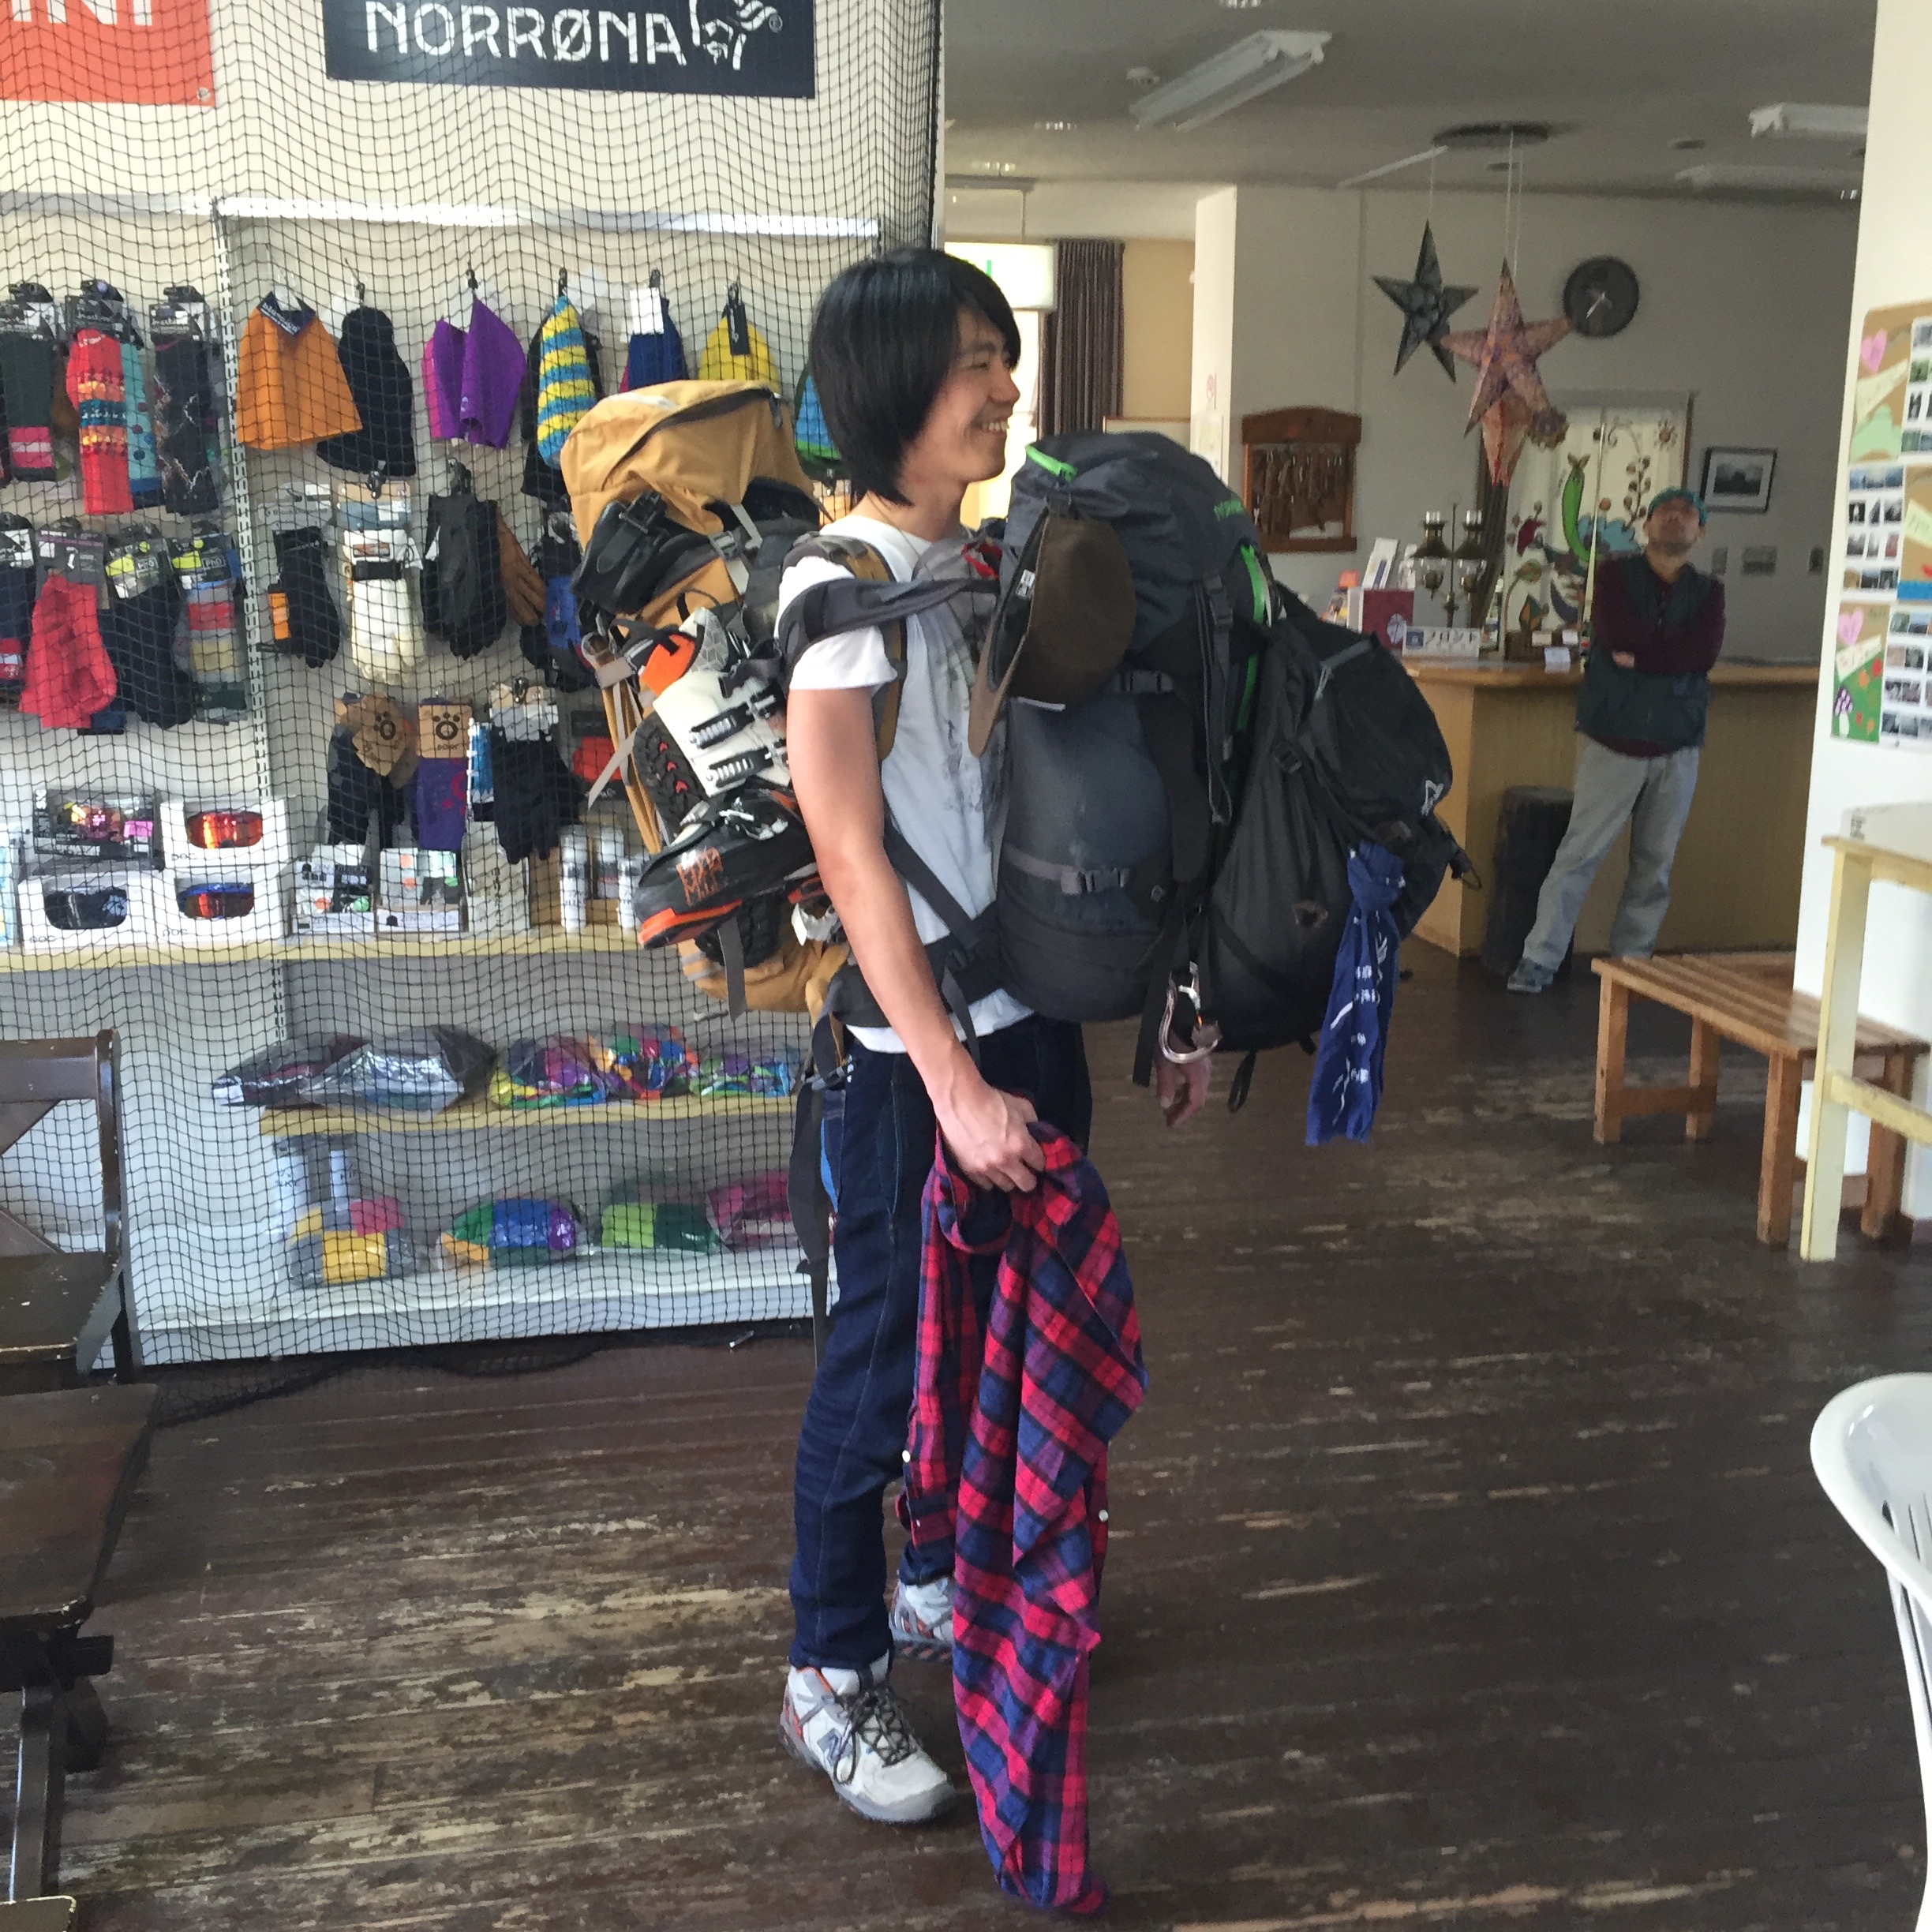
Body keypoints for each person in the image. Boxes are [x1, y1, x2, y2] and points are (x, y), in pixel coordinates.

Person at [775, 249, 1211, 1824]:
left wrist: (1164, 1001)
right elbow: (849, 855)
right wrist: (953, 1083)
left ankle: (940, 1576)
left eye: (1003, 354)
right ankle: (828, 1670)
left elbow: (1084, 808)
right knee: (882, 1369)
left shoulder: (1003, 565)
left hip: (1028, 1031)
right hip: (912, 1070)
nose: (1006, 387)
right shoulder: (834, 592)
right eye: (976, 358)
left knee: (1006, 1344)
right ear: (894, 382)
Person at [1509, 486, 1726, 993]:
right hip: (1613, 738)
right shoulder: (1613, 576)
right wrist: (1665, 654)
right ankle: (1539, 959)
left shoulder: (1708, 592)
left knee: (1655, 868)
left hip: (1678, 743)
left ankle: (1633, 966)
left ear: (1700, 532)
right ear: (1646, 526)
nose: (1674, 519)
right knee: (1578, 856)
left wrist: (1644, 658)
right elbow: (1618, 635)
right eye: (1664, 512)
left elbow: (1702, 653)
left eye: (1686, 514)